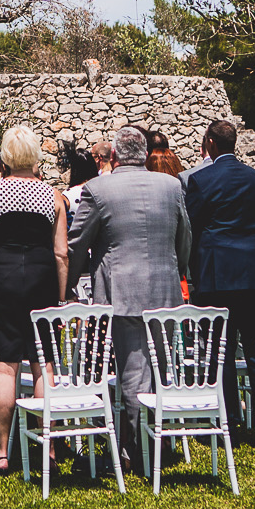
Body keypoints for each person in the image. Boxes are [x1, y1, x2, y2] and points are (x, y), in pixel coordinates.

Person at [68, 125, 192, 469]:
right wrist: (177, 268)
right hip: (166, 290)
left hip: (122, 290)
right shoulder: (171, 185)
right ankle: (160, 440)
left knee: (134, 374)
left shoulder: (98, 189)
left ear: (117, 155)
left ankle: (140, 452)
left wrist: (69, 283)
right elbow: (185, 236)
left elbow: (77, 243)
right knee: (161, 368)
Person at [182, 118, 255, 447]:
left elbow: (192, 230)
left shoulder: (200, 181)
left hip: (217, 278)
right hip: (253, 275)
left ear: (209, 142)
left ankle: (229, 426)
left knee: (219, 354)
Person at [0, 126, 68, 476]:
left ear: (6, 158)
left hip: (4, 275)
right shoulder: (53, 196)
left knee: (5, 364)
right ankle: (50, 448)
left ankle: (1, 452)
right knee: (44, 364)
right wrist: (60, 294)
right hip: (42, 274)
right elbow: (61, 253)